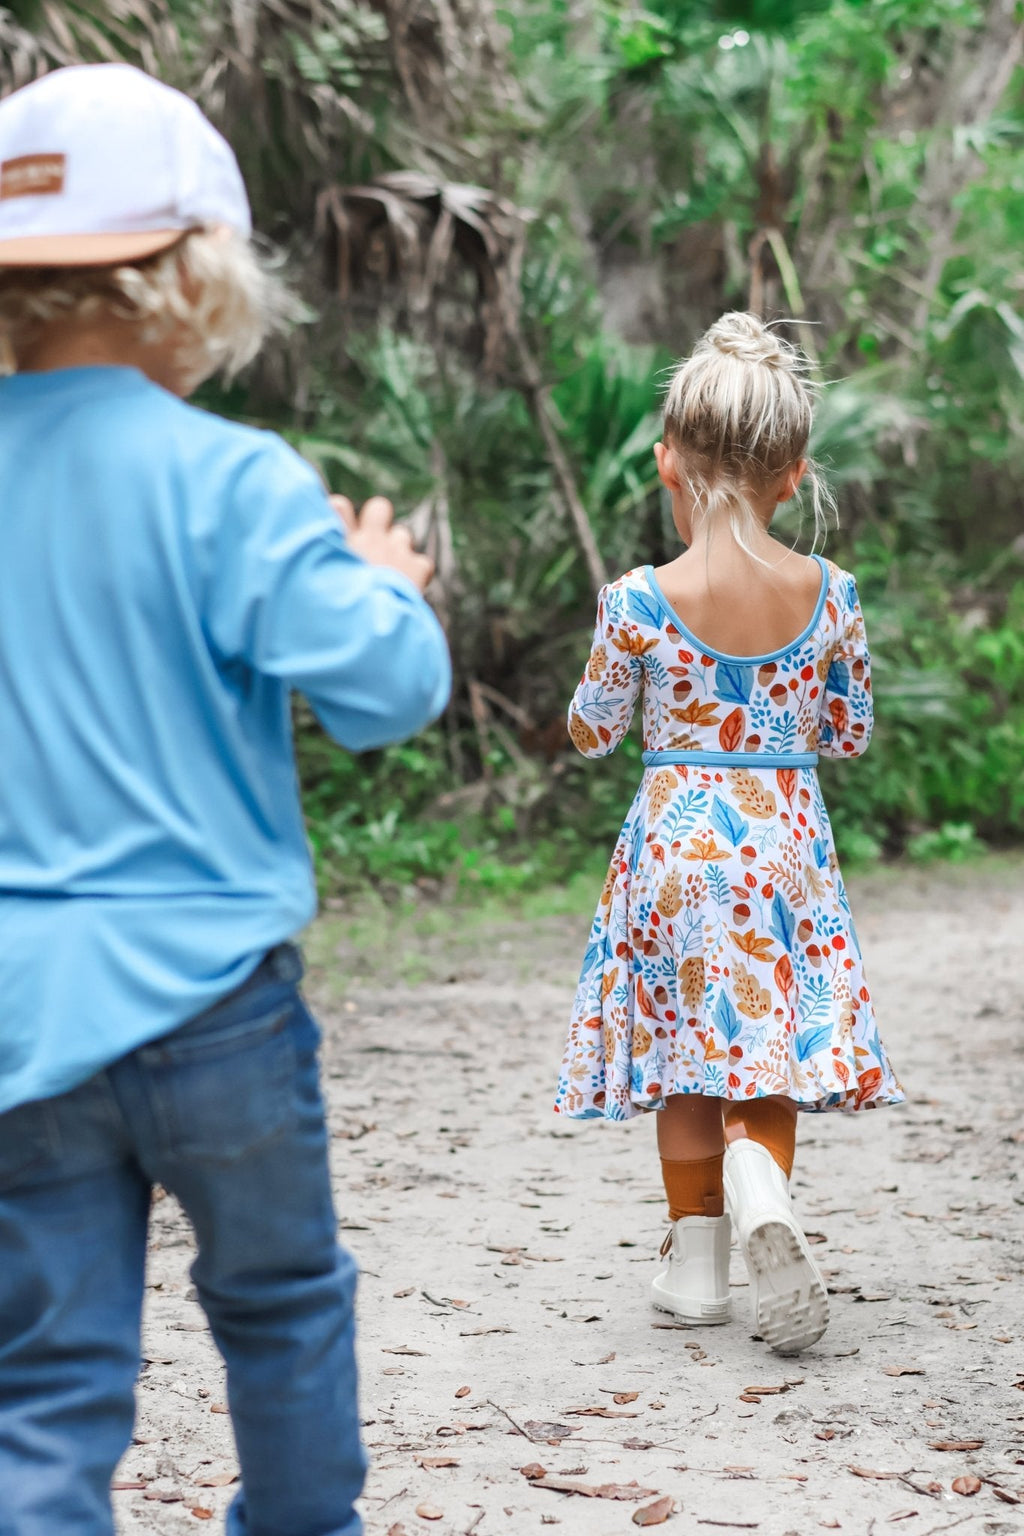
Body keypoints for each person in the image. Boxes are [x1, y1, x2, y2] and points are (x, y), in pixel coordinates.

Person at [0, 64, 450, 1536]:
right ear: (201, 280)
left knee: (49, 1379)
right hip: (217, 1002)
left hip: (23, 1011)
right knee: (280, 1307)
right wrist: (383, 589)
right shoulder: (233, 480)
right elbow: (385, 695)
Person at [555, 312, 903, 1356]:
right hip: (783, 846)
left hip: (674, 847)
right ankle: (762, 1178)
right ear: (793, 472)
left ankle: (697, 1267)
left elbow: (590, 731)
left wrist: (619, 686)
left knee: (683, 1054)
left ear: (668, 457)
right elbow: (847, 734)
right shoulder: (829, 595)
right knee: (768, 1052)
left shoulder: (635, 601)